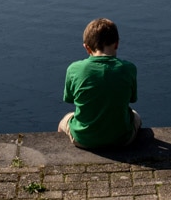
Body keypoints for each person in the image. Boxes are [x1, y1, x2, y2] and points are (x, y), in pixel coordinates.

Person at [58, 17, 141, 148]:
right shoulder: (129, 68)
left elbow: (70, 99)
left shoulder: (74, 69)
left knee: (66, 118)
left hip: (83, 139)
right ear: (117, 43)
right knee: (135, 115)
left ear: (87, 48)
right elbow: (132, 99)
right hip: (122, 139)